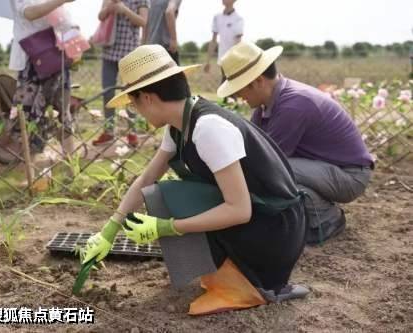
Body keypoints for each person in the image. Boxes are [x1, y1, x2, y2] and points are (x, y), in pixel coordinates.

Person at [82, 44, 309, 315]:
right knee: (158, 193)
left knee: (168, 197)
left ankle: (245, 286)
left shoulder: (208, 128)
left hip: (275, 230)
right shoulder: (180, 124)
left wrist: (169, 227)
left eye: (134, 104)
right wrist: (110, 229)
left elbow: (239, 209)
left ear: (148, 98)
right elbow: (147, 178)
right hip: (263, 219)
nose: (137, 111)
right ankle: (225, 276)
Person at [217, 41, 374, 245]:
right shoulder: (266, 106)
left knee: (274, 169)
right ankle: (307, 215)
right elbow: (250, 148)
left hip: (351, 176)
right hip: (324, 169)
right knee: (266, 170)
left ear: (258, 81)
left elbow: (266, 162)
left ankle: (327, 219)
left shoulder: (294, 105)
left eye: (239, 89)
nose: (237, 95)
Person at [9, 0, 76, 161]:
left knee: (63, 114)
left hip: (57, 59)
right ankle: (32, 171)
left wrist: (73, 45)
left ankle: (72, 169)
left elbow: (66, 22)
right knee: (28, 116)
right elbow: (28, 13)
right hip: (32, 63)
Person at [91, 0, 149, 147]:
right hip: (109, 51)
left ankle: (132, 131)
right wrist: (110, 8)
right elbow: (100, 16)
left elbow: (143, 21)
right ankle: (109, 131)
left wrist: (124, 10)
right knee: (107, 92)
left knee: (131, 93)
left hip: (129, 52)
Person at [204, 0, 244, 80]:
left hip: (234, 60)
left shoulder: (238, 19)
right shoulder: (217, 17)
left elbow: (238, 41)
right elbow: (213, 41)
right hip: (223, 60)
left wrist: (235, 59)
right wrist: (208, 61)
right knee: (225, 84)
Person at [144, 0, 182, 64]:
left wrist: (143, 44)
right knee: (175, 73)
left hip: (151, 49)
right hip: (166, 47)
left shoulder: (150, 1)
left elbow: (145, 23)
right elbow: (169, 12)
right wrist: (173, 39)